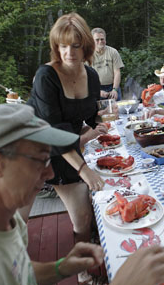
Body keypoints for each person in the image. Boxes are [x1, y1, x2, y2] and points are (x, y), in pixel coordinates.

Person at [0, 104, 164, 285]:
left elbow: (17, 274)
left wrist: (62, 268)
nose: (50, 174)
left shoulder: (4, 220)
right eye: (40, 160)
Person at [27, 13, 110, 242]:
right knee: (17, 221)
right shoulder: (46, 77)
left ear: (86, 47)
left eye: (75, 46)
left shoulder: (91, 76)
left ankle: (82, 271)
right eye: (63, 46)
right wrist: (84, 170)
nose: (69, 53)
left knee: (82, 216)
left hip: (65, 148)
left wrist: (101, 123)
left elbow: (92, 114)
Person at [91, 27, 124, 100]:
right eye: (97, 40)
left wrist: (115, 89)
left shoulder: (113, 52)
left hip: (113, 87)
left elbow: (117, 72)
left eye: (102, 39)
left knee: (118, 110)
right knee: (98, 111)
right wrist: (97, 91)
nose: (100, 41)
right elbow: (86, 77)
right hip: (96, 88)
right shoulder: (88, 55)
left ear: (105, 39)